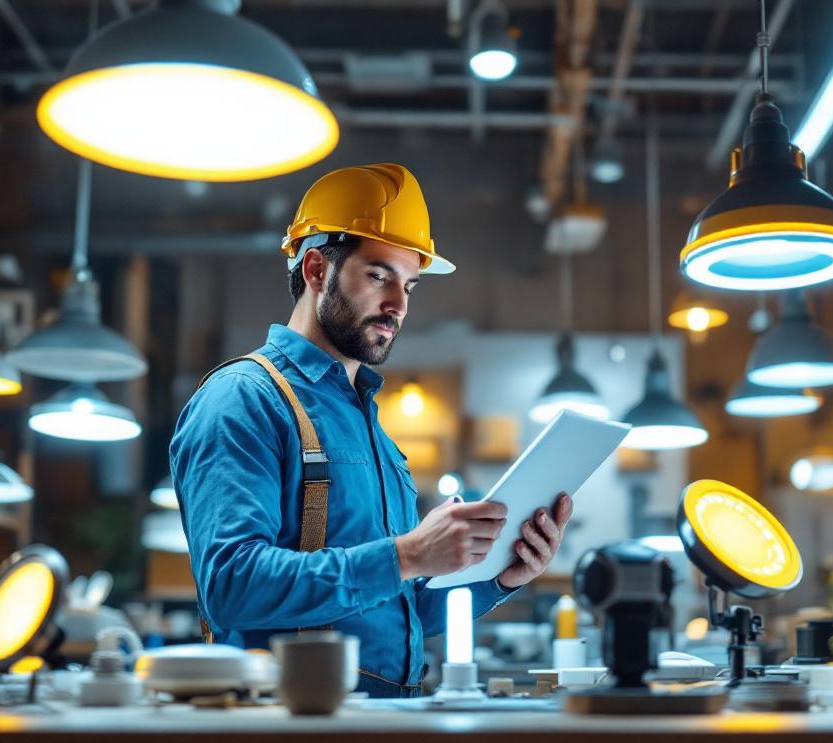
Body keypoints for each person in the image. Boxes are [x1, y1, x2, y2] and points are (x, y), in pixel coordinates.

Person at [170, 163, 573, 698]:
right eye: (379, 275)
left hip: (382, 719)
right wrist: (406, 554)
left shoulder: (372, 431)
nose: (399, 306)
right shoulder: (245, 398)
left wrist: (499, 579)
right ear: (316, 270)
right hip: (289, 728)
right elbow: (232, 585)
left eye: (409, 285)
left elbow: (398, 609)